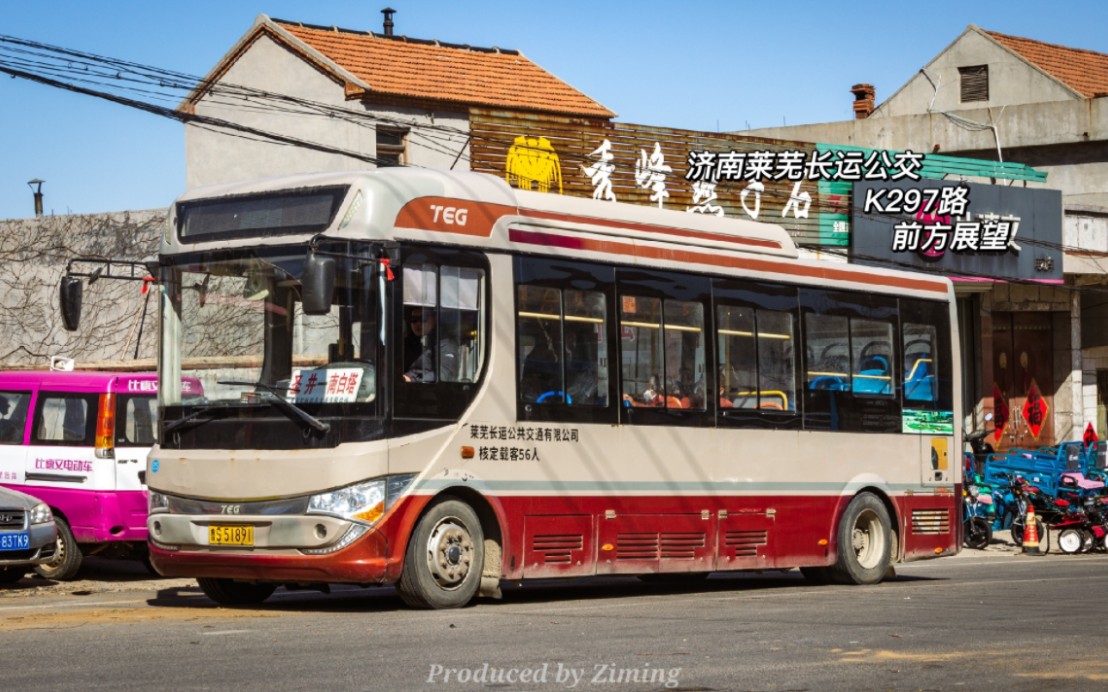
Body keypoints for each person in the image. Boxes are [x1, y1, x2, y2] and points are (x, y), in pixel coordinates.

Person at [403, 306, 458, 383]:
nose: (418, 323)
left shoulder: (446, 344)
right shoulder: (406, 344)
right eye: (414, 320)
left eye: (423, 319)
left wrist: (412, 380)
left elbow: (445, 374)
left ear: (435, 319)